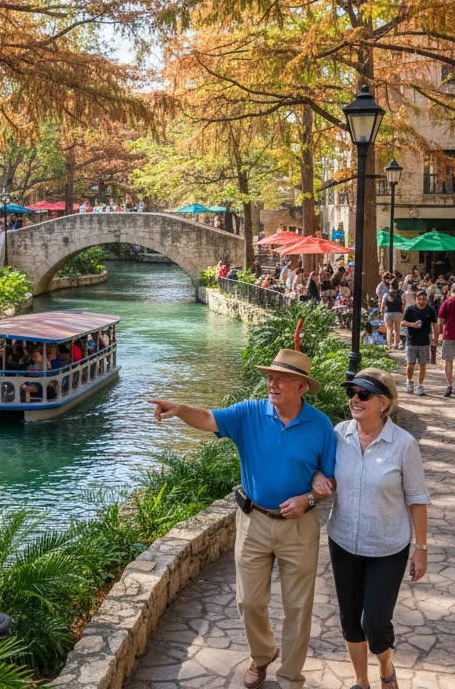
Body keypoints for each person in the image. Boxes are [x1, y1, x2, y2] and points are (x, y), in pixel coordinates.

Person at [147, 349, 337, 689]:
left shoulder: (321, 425)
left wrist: (310, 496)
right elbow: (208, 418)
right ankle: (263, 655)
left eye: (281, 379)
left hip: (299, 526)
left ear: (301, 387)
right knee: (249, 601)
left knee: (298, 608)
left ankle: (291, 678)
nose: (272, 383)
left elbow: (328, 478)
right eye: (270, 377)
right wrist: (179, 410)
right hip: (254, 522)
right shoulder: (249, 413)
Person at [324, 368, 430, 689]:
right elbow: (319, 473)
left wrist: (421, 549)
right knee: (350, 619)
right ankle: (361, 681)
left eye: (364, 395)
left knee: (374, 622)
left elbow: (417, 498)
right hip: (342, 542)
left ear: (383, 403)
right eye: (352, 393)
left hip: (387, 548)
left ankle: (386, 665)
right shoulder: (338, 433)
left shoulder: (403, 445)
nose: (354, 399)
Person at [402, 289, 437, 396]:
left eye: (424, 299)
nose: (422, 301)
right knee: (410, 364)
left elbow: (435, 324)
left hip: (424, 342)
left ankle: (420, 385)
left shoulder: (430, 310)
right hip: (411, 340)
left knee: (423, 364)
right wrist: (413, 325)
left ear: (427, 299)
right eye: (419, 299)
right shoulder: (410, 309)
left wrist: (436, 338)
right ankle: (409, 381)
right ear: (415, 299)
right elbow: (402, 323)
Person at [381, 285, 403, 351]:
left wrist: (381, 311)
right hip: (398, 313)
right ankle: (396, 344)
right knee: (397, 330)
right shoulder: (400, 295)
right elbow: (403, 304)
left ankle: (389, 344)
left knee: (389, 329)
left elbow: (383, 305)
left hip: (388, 314)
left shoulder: (386, 295)